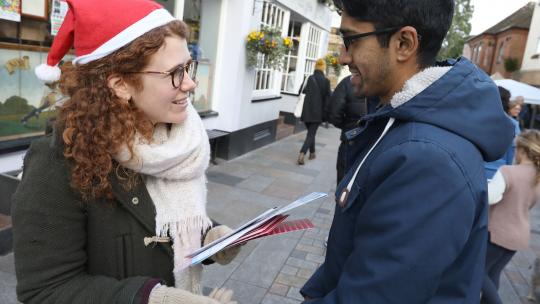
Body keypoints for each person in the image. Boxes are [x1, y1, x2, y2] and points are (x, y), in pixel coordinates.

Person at [11, 1, 239, 303]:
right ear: (121, 84)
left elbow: (162, 220)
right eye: (175, 73)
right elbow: (46, 291)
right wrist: (154, 300)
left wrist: (208, 237)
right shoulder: (55, 163)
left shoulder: (174, 142)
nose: (191, 83)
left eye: (189, 66)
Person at [300, 0, 515, 302]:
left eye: (351, 40)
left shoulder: (429, 160)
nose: (343, 56)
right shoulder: (395, 122)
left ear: (404, 43)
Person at [481, 129, 540, 304]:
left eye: (515, 149)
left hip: (498, 232)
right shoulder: (537, 178)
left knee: (479, 272)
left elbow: (491, 197)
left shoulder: (509, 171)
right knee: (493, 274)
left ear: (522, 150)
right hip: (519, 236)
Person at [326, 75, 375, 184]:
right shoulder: (382, 81)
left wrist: (347, 127)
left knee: (344, 182)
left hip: (351, 140)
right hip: (374, 143)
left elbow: (334, 114)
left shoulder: (347, 82)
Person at [297, 59, 331, 165]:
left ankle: (312, 153)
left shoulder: (309, 78)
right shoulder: (326, 81)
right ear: (324, 68)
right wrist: (326, 114)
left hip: (306, 112)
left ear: (315, 67)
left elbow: (300, 92)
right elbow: (328, 99)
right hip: (318, 113)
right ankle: (302, 153)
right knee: (311, 134)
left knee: (311, 133)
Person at [484, 86, 520, 180]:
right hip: (499, 172)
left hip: (477, 169)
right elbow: (512, 152)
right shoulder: (513, 124)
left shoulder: (481, 119)